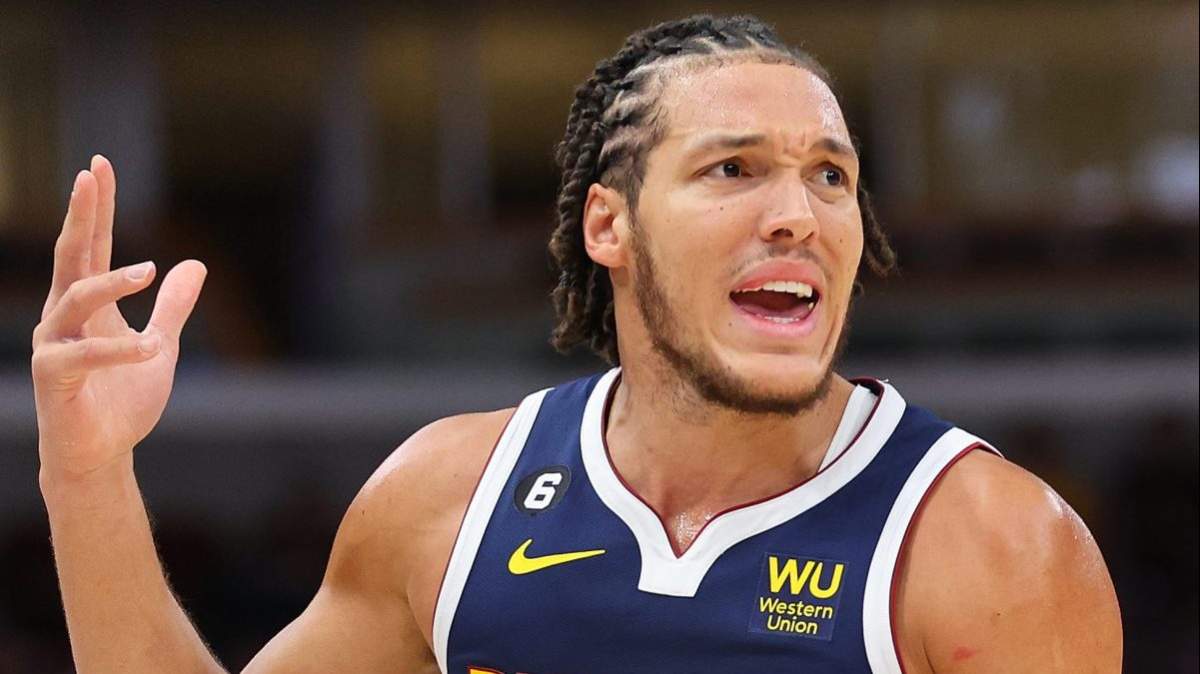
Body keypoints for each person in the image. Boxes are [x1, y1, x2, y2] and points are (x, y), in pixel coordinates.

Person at [31, 14, 1121, 674]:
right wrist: (88, 477)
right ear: (610, 224)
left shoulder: (997, 549)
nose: (799, 213)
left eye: (830, 174)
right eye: (734, 168)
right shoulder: (445, 497)